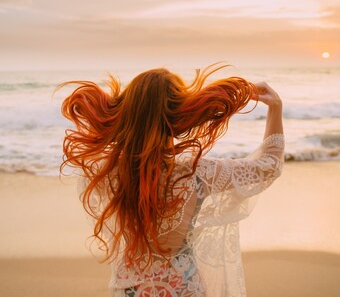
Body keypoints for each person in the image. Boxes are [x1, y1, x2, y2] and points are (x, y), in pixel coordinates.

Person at [60, 63, 284, 296]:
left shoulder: (103, 172)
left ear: (126, 112)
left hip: (130, 289)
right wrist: (275, 108)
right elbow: (269, 166)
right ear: (180, 114)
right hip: (183, 288)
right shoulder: (196, 172)